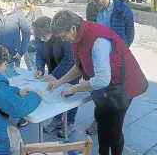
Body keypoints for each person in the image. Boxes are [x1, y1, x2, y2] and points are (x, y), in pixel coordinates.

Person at [48, 10, 148, 155]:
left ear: (72, 28)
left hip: (122, 86)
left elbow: (102, 80)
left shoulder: (97, 40)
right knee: (102, 122)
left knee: (114, 128)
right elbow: (79, 66)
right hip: (106, 86)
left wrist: (73, 89)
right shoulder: (78, 36)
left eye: (63, 36)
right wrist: (59, 82)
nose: (63, 40)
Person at [86, 0, 135, 135]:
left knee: (116, 90)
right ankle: (99, 119)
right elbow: (89, 29)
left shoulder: (123, 10)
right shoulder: (92, 8)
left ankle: (114, 119)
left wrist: (120, 51)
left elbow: (130, 34)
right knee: (98, 89)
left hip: (117, 56)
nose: (92, 2)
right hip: (98, 55)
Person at [33, 16, 80, 137]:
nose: (42, 40)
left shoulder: (62, 37)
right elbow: (39, 53)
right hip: (53, 68)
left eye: (44, 37)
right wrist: (39, 68)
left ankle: (70, 122)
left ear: (51, 32)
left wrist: (55, 74)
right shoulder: (39, 36)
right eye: (40, 38)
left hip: (71, 71)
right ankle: (57, 120)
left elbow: (69, 59)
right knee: (55, 93)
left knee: (69, 94)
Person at [0, 0, 31, 68]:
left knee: (12, 77)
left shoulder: (18, 14)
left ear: (8, 1)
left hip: (13, 54)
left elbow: (26, 34)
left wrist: (21, 52)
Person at [22, 0, 43, 71]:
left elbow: (38, 28)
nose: (25, 1)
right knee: (29, 61)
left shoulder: (36, 12)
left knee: (32, 63)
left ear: (31, 1)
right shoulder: (33, 11)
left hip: (32, 40)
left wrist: (25, 29)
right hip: (29, 39)